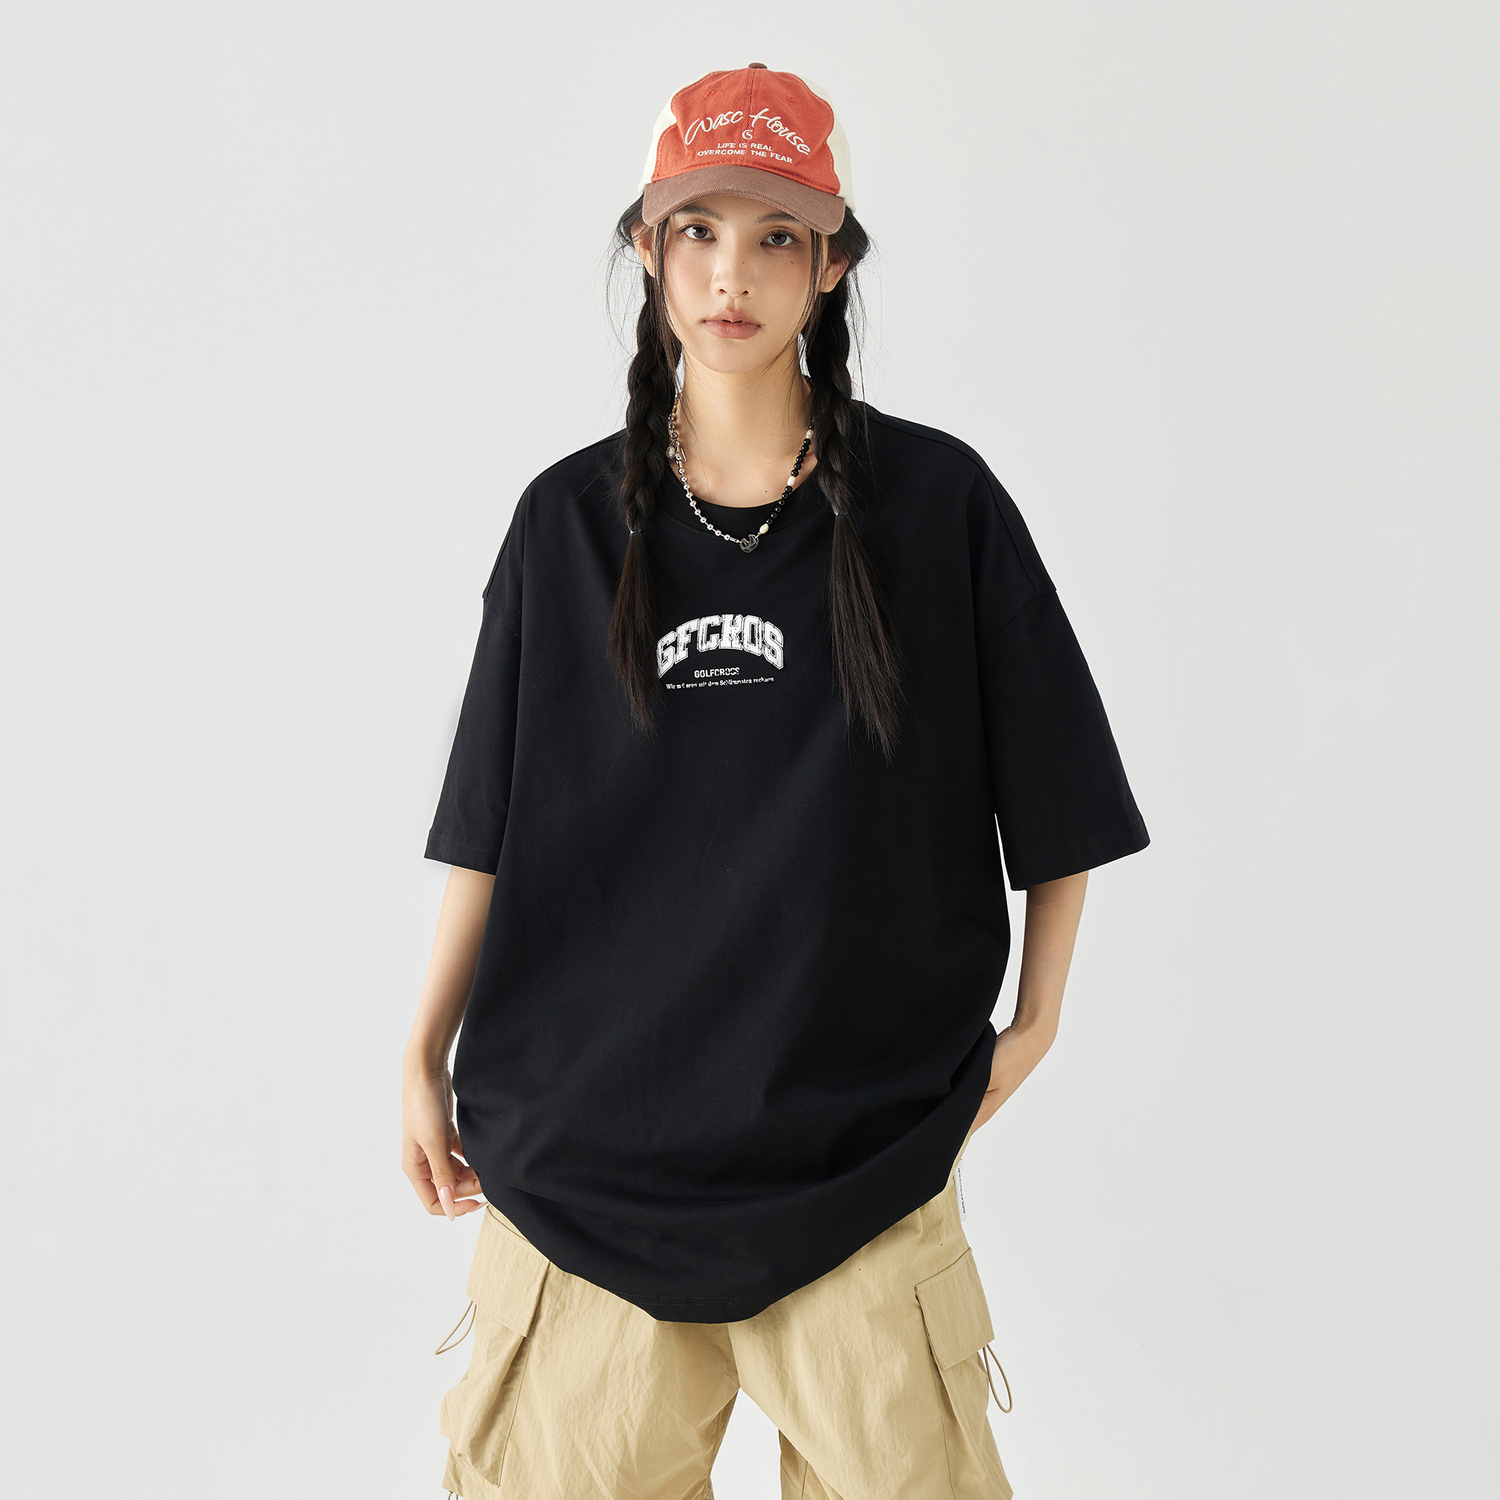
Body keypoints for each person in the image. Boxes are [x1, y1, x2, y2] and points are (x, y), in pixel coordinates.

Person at [401, 63, 1149, 1500]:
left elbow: (1059, 790)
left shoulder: (939, 509)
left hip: (860, 1167)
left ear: (833, 264)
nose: (730, 273)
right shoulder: (564, 525)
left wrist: (1037, 1024)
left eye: (775, 236)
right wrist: (419, 1051)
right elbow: (486, 824)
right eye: (696, 231)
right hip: (585, 1177)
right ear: (648, 248)